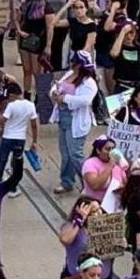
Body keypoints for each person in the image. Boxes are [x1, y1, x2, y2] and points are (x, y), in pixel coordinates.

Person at [51, 51, 101, 194]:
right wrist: (54, 93)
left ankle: (89, 182)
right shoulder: (68, 74)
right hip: (63, 117)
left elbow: (85, 100)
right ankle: (67, 182)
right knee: (65, 153)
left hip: (76, 120)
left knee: (75, 154)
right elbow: (57, 85)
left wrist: (65, 99)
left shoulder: (89, 83)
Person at [0, 82, 37, 198]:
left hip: (8, 137)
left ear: (13, 95)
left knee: (2, 161)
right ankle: (13, 187)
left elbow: (2, 120)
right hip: (20, 139)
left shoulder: (11, 106)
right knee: (16, 163)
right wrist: (34, 140)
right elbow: (33, 125)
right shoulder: (30, 105)